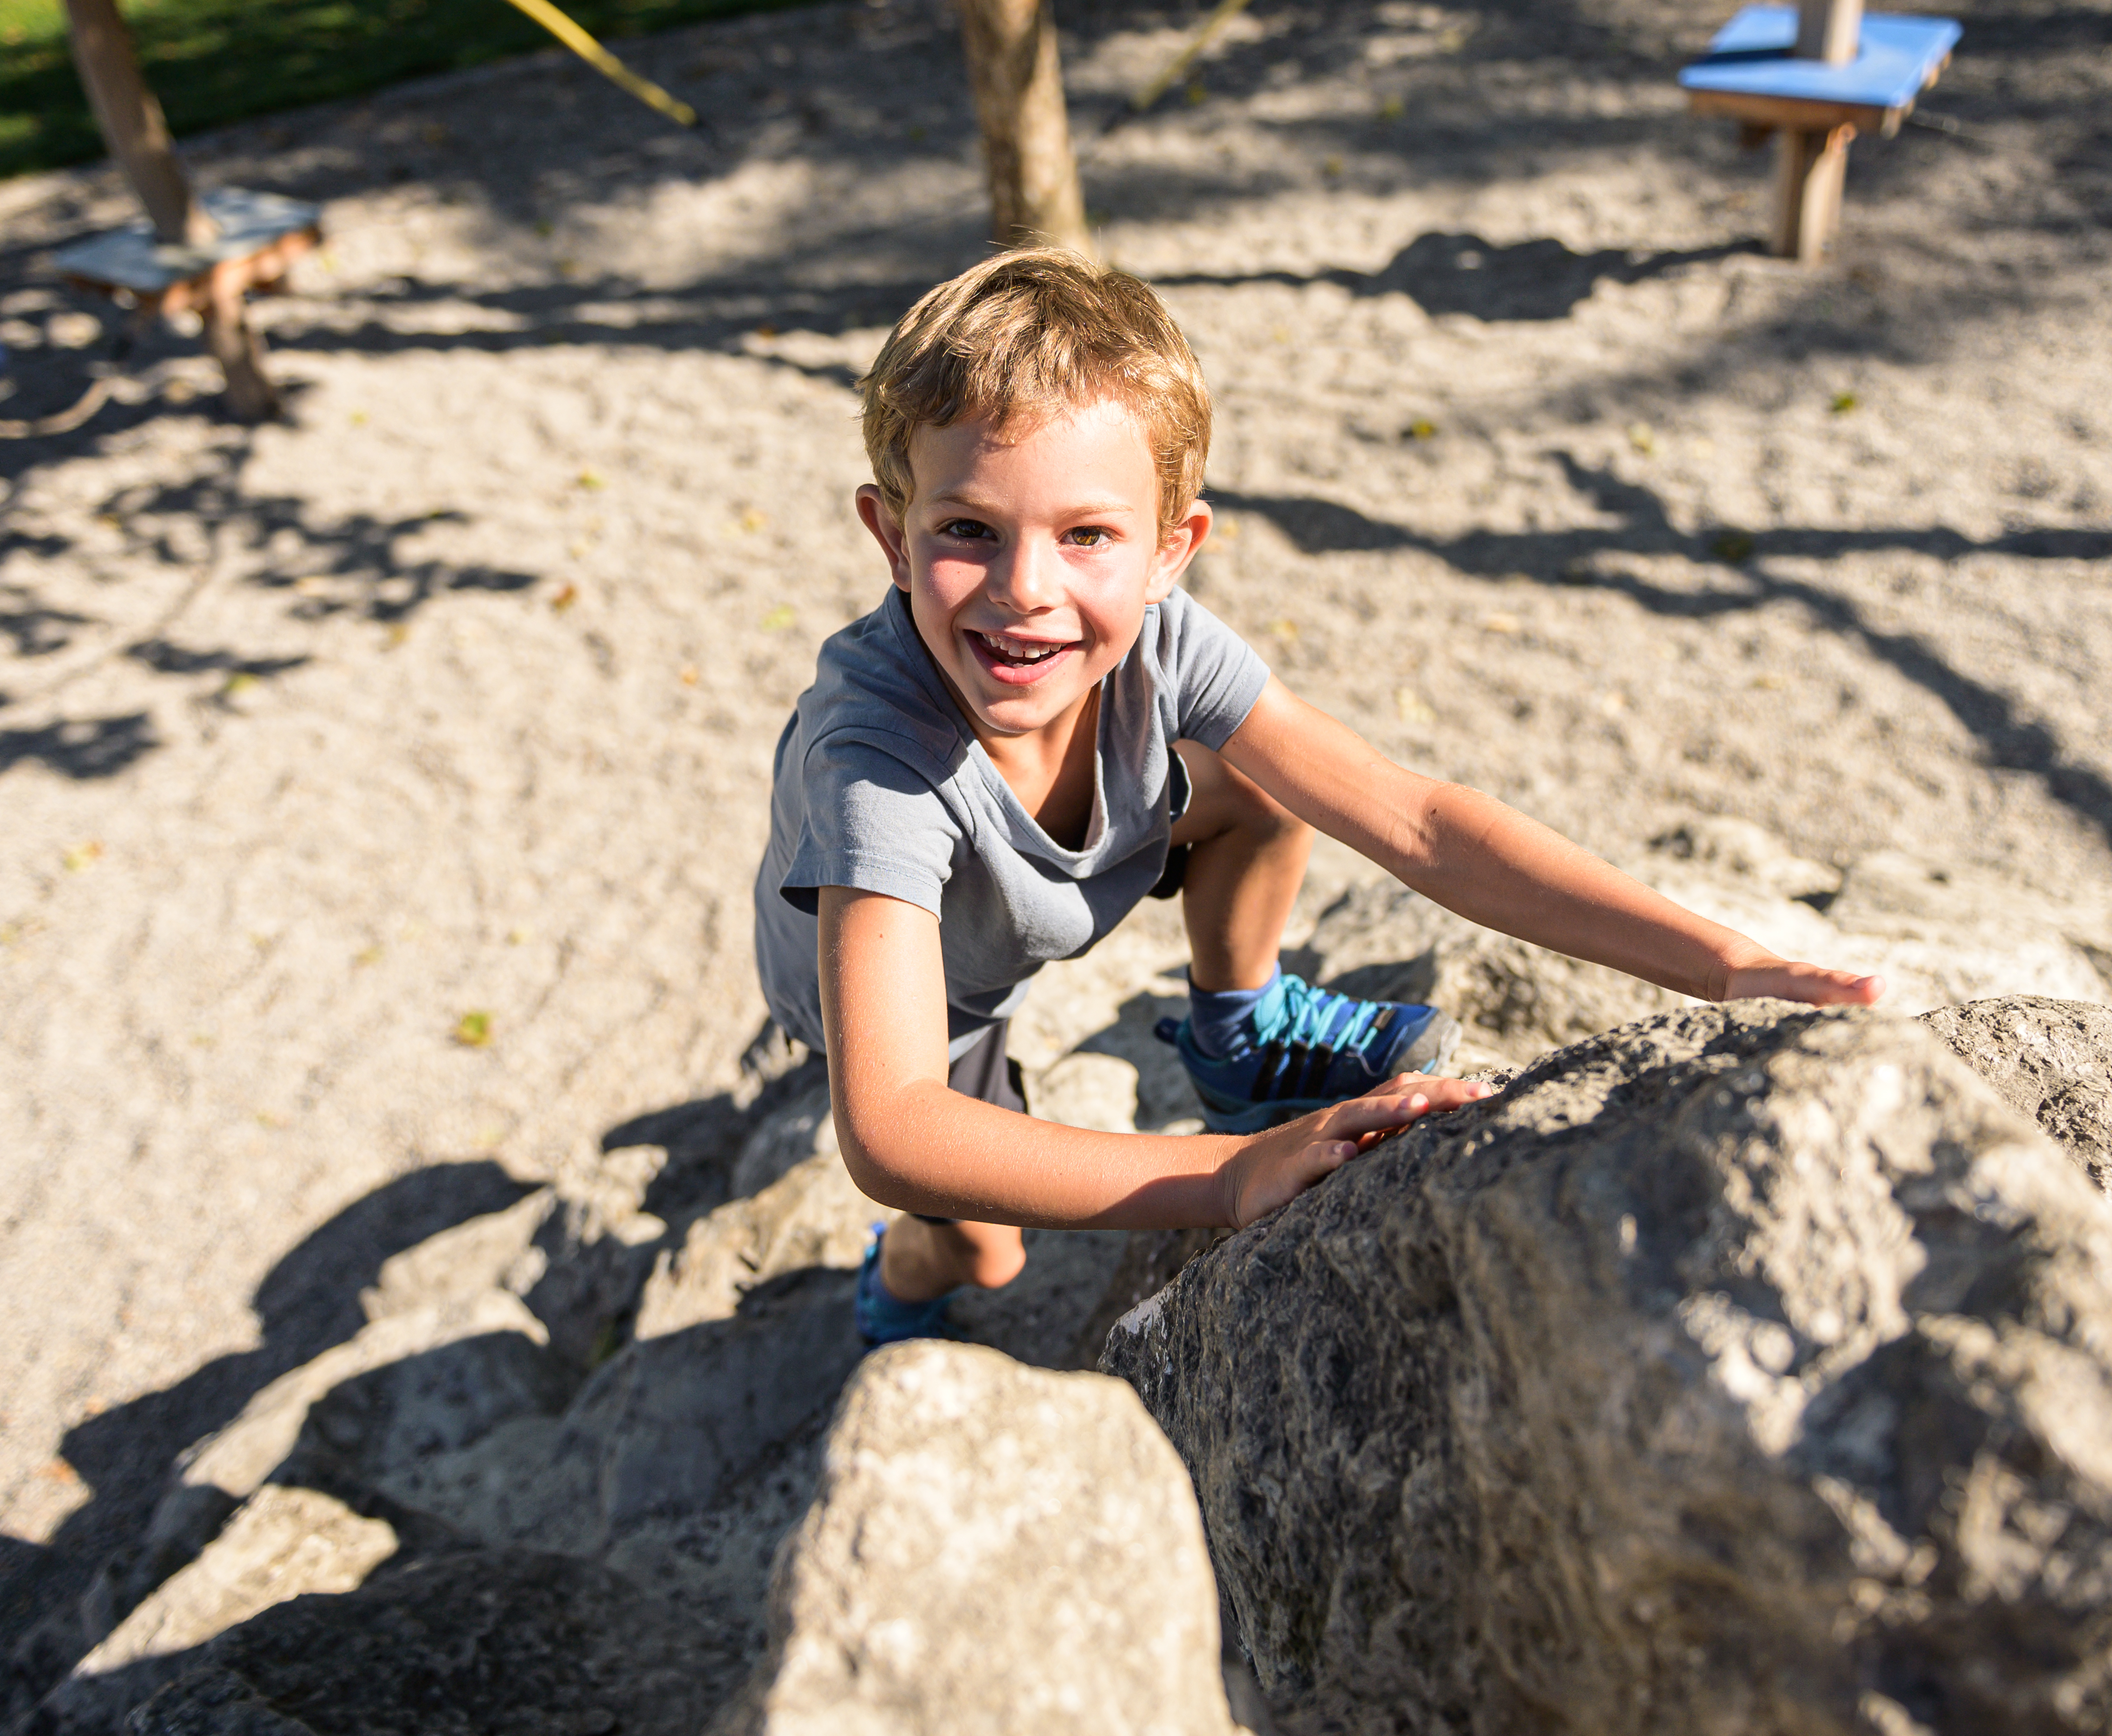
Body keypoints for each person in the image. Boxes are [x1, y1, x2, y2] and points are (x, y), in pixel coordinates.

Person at [751, 246, 1881, 1346]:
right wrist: (1232, 1175)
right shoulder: (878, 759)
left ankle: (1239, 1033)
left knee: (1255, 766)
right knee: (985, 1252)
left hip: (1036, 889)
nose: (1025, 589)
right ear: (892, 535)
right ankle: (895, 1284)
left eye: (1087, 534)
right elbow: (894, 1122)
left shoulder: (1166, 652)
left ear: (1168, 552)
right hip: (931, 986)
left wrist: (1724, 965)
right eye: (967, 530)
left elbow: (1419, 823)